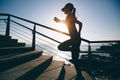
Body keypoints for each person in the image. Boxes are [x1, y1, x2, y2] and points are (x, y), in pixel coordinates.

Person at [54, 3, 84, 80]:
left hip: (75, 39)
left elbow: (80, 23)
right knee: (75, 59)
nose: (64, 10)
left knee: (60, 47)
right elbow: (70, 22)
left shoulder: (70, 15)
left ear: (68, 9)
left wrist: (79, 34)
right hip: (75, 39)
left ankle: (79, 75)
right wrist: (59, 21)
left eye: (65, 8)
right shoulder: (70, 15)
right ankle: (79, 75)